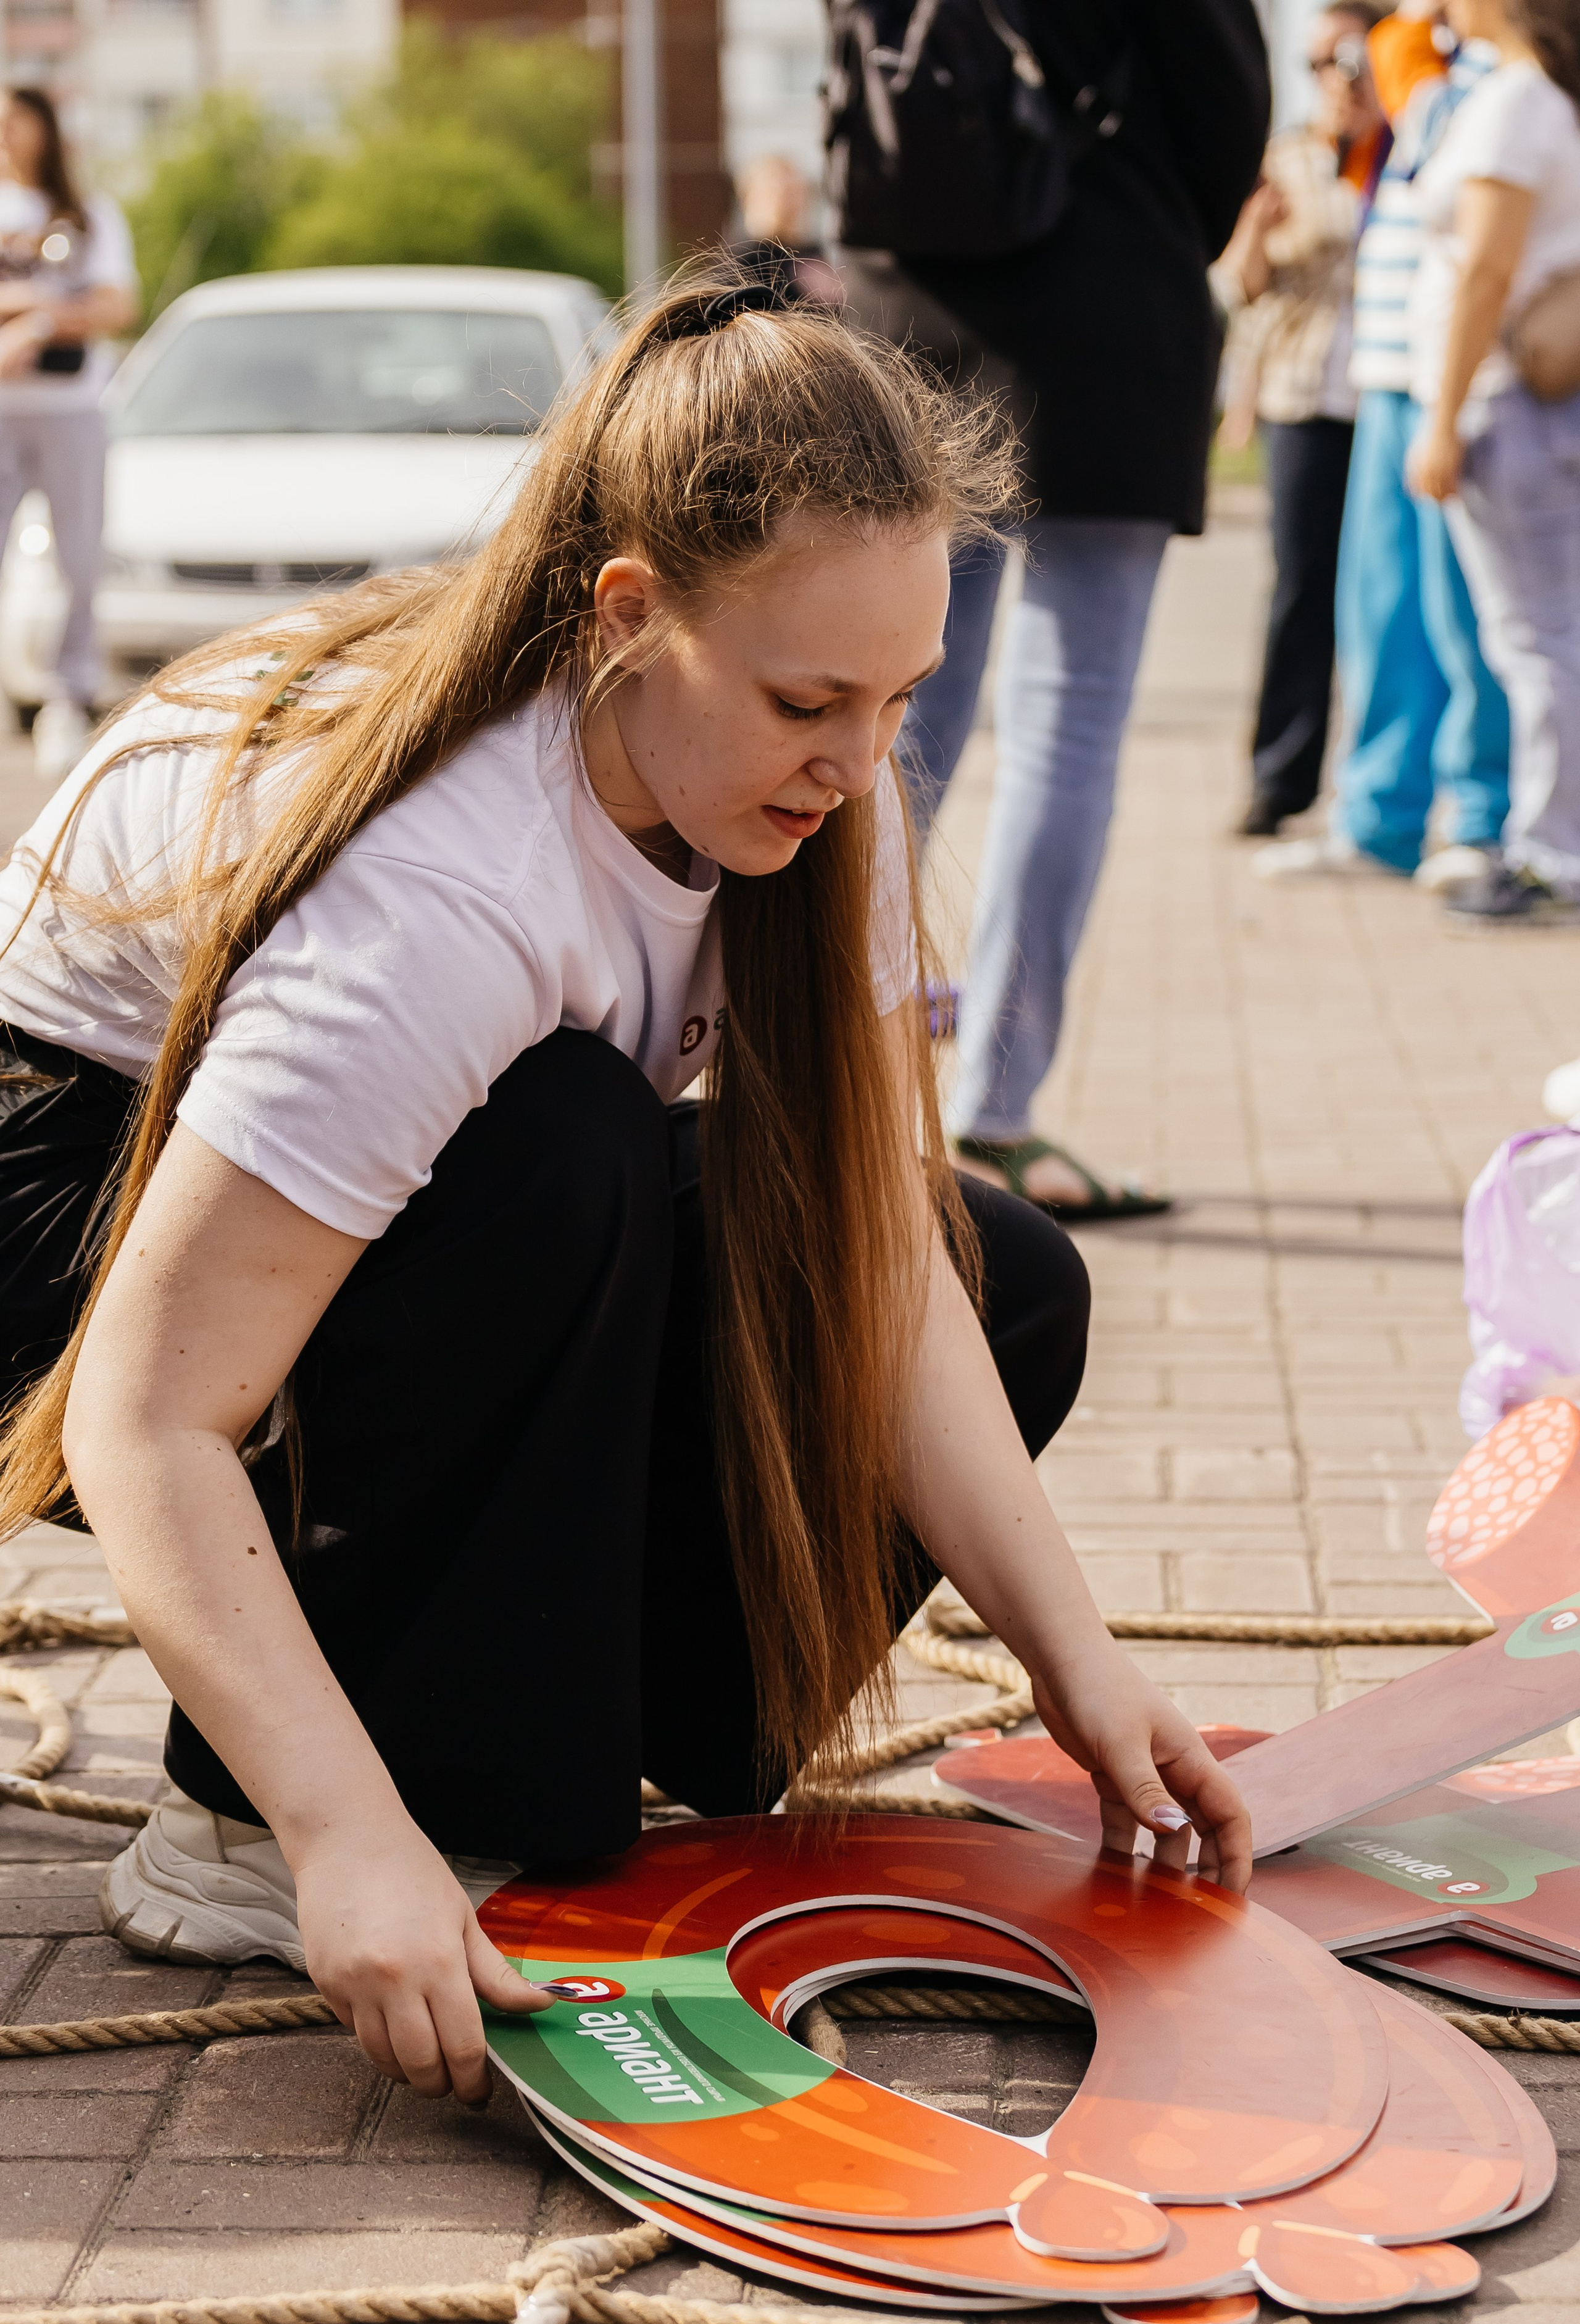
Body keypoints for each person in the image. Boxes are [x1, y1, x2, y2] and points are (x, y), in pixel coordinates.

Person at [0, 282, 1249, 2105]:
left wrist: (1082, 1665)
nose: (856, 762)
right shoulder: (445, 892)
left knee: (1004, 1267)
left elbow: (872, 1268)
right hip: (63, 1211)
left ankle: (574, 1773)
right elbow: (141, 1413)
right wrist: (343, 1834)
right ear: (626, 618)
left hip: (352, 1196)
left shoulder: (825, 782)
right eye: (808, 700)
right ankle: (243, 1823)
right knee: (564, 1148)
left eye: (898, 699)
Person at [840, 0, 1269, 1221]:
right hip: (1108, 302)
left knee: (882, 724)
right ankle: (994, 1117)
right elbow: (1222, 111)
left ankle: (835, 1098)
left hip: (913, 306)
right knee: (1066, 726)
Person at [1255, 1, 1511, 889]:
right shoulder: (1422, 68)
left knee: (1469, 619)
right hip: (1386, 372)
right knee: (1382, 610)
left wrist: (1406, 47)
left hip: (1461, 382)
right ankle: (1380, 821)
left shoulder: (1495, 74)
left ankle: (1483, 819)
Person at [1408, 0, 1580, 922]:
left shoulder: (1518, 100)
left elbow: (1486, 269)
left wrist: (1441, 420)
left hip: (1510, 404)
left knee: (1540, 640)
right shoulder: (1539, 96)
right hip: (1529, 405)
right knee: (1549, 636)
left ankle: (1554, 855)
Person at [1219, 4, 1386, 841]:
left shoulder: (1401, 152)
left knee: (1388, 599)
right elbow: (1240, 286)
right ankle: (1278, 780)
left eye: (1354, 59)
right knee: (1300, 593)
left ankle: (1380, 786)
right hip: (1303, 401)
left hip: (1388, 400)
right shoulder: (1283, 161)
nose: (1340, 78)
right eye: (1324, 62)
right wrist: (1254, 227)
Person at [0, 88, 137, 785]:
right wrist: (28, 304)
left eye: (14, 117)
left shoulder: (88, 214)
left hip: (73, 407)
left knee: (77, 559)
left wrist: (44, 321)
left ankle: (68, 696)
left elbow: (117, 302)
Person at [730, 154, 844, 307]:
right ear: (751, 195)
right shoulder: (746, 256)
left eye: (793, 191)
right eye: (775, 190)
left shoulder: (810, 253)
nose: (787, 201)